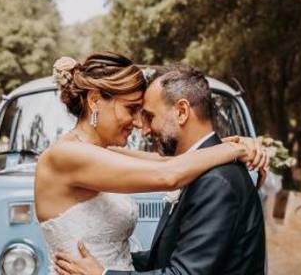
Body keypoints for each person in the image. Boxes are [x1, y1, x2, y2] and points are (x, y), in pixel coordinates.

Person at [35, 53, 268, 274]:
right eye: (132, 109)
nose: (139, 124)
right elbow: (167, 173)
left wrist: (226, 146)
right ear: (95, 100)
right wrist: (234, 148)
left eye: (145, 114)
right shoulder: (65, 155)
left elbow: (170, 162)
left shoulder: (100, 153)